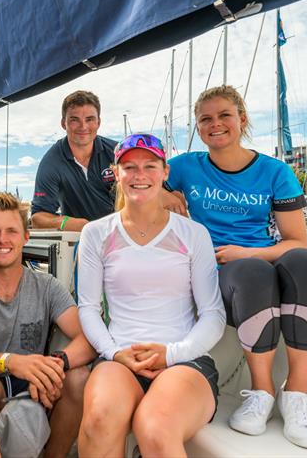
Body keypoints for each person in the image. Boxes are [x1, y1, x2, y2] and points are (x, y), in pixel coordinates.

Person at [164, 85, 307, 450]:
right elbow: (133, 178)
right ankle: (262, 392)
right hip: (219, 270)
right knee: (254, 275)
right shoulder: (183, 167)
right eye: (205, 119)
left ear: (242, 119)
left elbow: (296, 240)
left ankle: (298, 395)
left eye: (224, 115)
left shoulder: (275, 172)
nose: (215, 124)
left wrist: (249, 252)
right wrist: (163, 193)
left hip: (255, 258)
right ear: (197, 127)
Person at [76, 133, 226, 458]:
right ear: (116, 174)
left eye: (149, 165)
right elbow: (88, 308)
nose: (139, 175)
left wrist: (172, 354)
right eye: (129, 167)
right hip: (119, 358)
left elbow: (213, 313)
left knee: (155, 427)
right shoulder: (96, 234)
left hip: (184, 360)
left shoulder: (193, 234)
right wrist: (114, 353)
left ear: (164, 172)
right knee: (99, 419)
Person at [0, 192, 96, 458]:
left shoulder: (46, 286)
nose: (3, 240)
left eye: (11, 231)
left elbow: (88, 339)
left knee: (79, 379)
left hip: (35, 387)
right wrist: (11, 362)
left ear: (25, 236)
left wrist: (55, 366)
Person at [31, 90, 116, 231]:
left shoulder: (116, 153)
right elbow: (38, 218)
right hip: (79, 240)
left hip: (121, 234)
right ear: (63, 123)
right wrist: (72, 224)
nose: (83, 127)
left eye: (89, 119)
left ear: (99, 122)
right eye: (74, 119)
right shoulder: (51, 163)